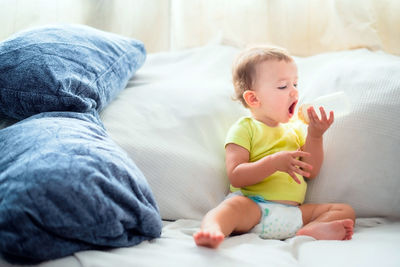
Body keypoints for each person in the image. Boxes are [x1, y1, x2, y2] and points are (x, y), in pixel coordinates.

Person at [193, 45, 355, 249]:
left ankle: (310, 230)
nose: (294, 91)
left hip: (293, 214)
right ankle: (212, 229)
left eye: (295, 83)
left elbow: (310, 172)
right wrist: (273, 163)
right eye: (282, 86)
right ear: (254, 98)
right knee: (230, 208)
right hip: (254, 208)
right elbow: (236, 174)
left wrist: (315, 135)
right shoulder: (245, 128)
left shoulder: (295, 129)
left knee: (344, 210)